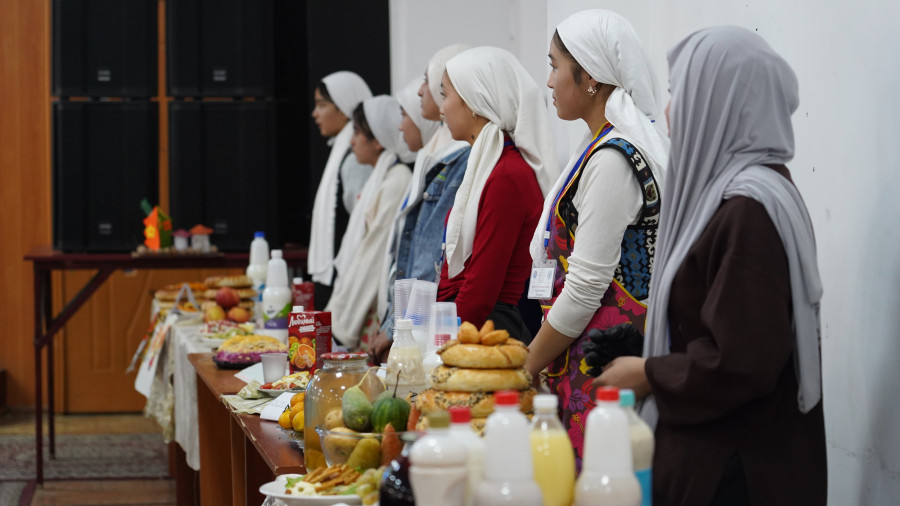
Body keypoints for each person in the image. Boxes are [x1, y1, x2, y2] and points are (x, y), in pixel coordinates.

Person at [596, 26, 827, 505]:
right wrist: (648, 345)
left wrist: (649, 372)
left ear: (720, 103)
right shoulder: (745, 194)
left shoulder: (748, 210)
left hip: (736, 472)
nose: (668, 111)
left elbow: (742, 362)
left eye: (681, 94)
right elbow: (723, 319)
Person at [522, 10, 669, 468]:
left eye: (554, 66)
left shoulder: (612, 160)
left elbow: (585, 288)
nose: (549, 81)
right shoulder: (596, 148)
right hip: (580, 356)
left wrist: (525, 365)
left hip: (600, 365)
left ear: (589, 77)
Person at [436, 46, 558, 339]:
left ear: (473, 101)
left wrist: (442, 342)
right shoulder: (489, 165)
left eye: (445, 95)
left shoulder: (506, 175)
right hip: (475, 325)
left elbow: (481, 288)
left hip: (485, 332)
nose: (441, 109)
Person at [370, 45, 472, 363]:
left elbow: (430, 258)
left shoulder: (458, 158)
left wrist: (399, 329)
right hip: (413, 321)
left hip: (426, 324)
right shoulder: (433, 155)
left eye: (429, 81)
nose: (420, 90)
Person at [326, 95, 414, 350]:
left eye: (357, 132)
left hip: (372, 304)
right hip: (365, 299)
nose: (351, 141)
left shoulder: (396, 180)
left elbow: (375, 253)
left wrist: (344, 320)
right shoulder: (383, 177)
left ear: (377, 140)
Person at [307, 71, 373, 310]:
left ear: (344, 108)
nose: (315, 114)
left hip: (346, 279)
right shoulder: (342, 150)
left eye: (322, 105)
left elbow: (362, 222)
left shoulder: (355, 157)